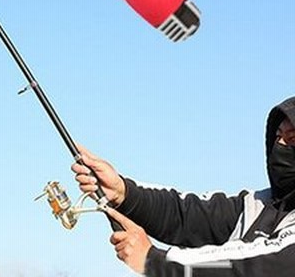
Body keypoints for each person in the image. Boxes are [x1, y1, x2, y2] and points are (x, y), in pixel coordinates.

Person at [71, 97, 295, 275]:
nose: (280, 145)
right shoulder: (259, 205)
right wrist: (124, 192)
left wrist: (155, 261)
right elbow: (188, 214)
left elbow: (249, 267)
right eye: (277, 138)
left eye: (292, 138)